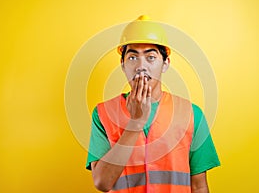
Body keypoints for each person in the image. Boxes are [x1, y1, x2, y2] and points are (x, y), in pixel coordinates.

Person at [86, 15, 220, 193]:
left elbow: (199, 185)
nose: (141, 66)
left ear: (165, 63)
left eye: (151, 57)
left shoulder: (191, 114)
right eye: (133, 57)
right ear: (123, 64)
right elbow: (102, 182)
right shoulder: (103, 113)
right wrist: (136, 123)